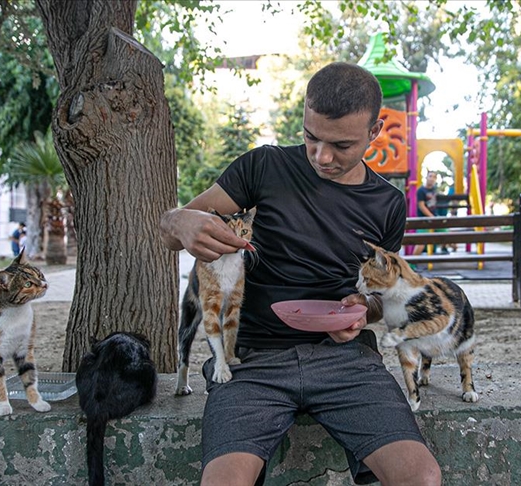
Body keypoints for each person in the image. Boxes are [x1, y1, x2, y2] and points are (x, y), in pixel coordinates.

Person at [159, 62, 442, 486]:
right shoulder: (263, 166)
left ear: (374, 131)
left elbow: (387, 298)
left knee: (420, 477)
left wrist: (364, 309)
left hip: (346, 362)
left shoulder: (387, 204)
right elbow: (171, 227)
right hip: (251, 361)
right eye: (311, 137)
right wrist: (179, 223)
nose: (321, 156)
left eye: (341, 145)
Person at [411, 171, 438, 257]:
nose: (432, 179)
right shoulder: (421, 191)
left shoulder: (434, 190)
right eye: (430, 176)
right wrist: (432, 217)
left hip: (434, 219)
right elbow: (421, 206)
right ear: (426, 177)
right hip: (424, 220)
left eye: (434, 177)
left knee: (447, 236)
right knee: (421, 242)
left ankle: (445, 248)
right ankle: (412, 264)